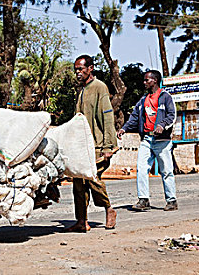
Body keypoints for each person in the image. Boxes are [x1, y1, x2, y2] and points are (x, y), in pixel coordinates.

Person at [65, 55, 118, 232]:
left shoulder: (99, 87)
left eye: (81, 69)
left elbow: (107, 117)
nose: (78, 73)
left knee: (93, 179)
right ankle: (82, 220)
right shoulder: (81, 90)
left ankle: (108, 209)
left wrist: (108, 146)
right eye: (76, 70)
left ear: (90, 68)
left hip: (98, 145)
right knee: (78, 184)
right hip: (81, 147)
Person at [117, 70, 178, 211]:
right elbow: (134, 117)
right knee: (142, 168)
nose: (144, 83)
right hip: (146, 139)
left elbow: (172, 115)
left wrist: (162, 125)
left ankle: (171, 200)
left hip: (162, 141)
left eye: (147, 80)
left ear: (155, 81)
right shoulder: (143, 100)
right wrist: (124, 128)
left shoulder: (165, 97)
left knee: (166, 170)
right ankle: (143, 200)